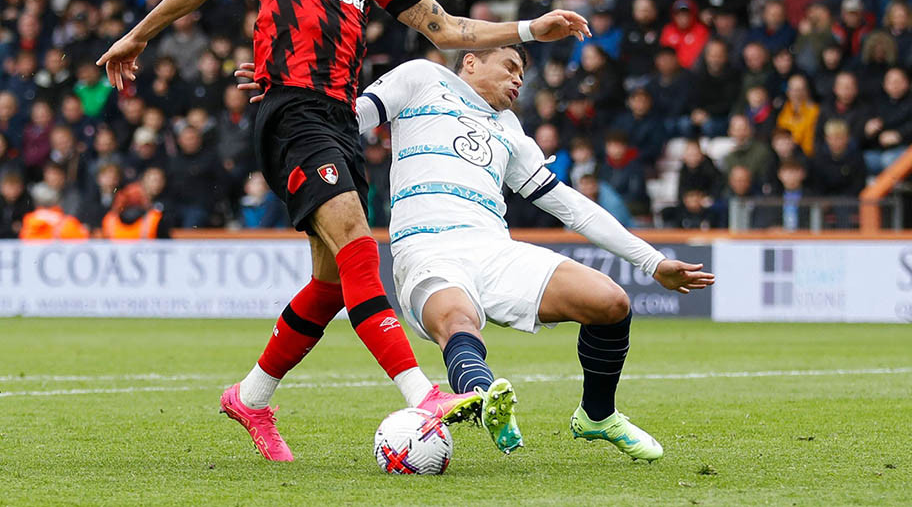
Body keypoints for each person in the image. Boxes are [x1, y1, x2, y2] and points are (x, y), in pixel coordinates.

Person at [97, 0, 591, 462]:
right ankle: (423, 393)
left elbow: (446, 30)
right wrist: (137, 36)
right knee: (359, 240)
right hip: (289, 115)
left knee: (331, 283)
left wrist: (528, 29)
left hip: (339, 120)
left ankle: (250, 399)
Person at [241, 47, 712, 459]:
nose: (517, 81)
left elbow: (571, 207)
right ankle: (485, 399)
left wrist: (653, 262)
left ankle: (597, 415)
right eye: (509, 67)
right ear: (471, 60)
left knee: (611, 303)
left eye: (522, 76)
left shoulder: (510, 130)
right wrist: (289, 102)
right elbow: (345, 118)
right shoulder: (423, 78)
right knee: (457, 320)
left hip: (494, 248)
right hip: (426, 250)